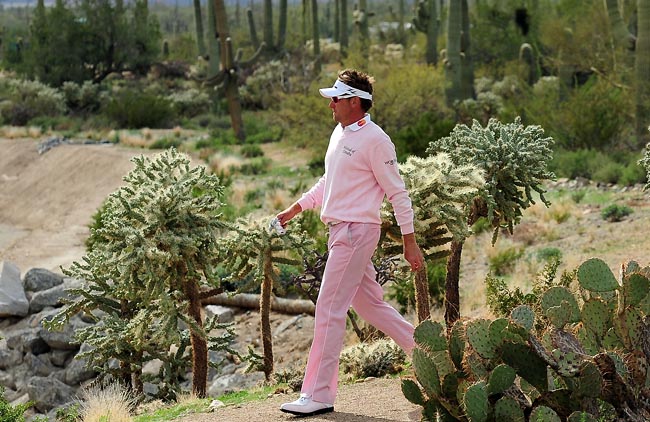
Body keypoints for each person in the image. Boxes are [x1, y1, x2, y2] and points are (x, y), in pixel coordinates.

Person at [276, 69, 425, 417]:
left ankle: (318, 394)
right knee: (371, 307)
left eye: (337, 99)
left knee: (328, 309)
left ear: (355, 102)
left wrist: (410, 243)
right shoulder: (339, 133)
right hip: (341, 232)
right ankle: (428, 352)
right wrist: (296, 208)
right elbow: (329, 180)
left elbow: (398, 193)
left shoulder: (376, 139)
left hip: (356, 233)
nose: (331, 104)